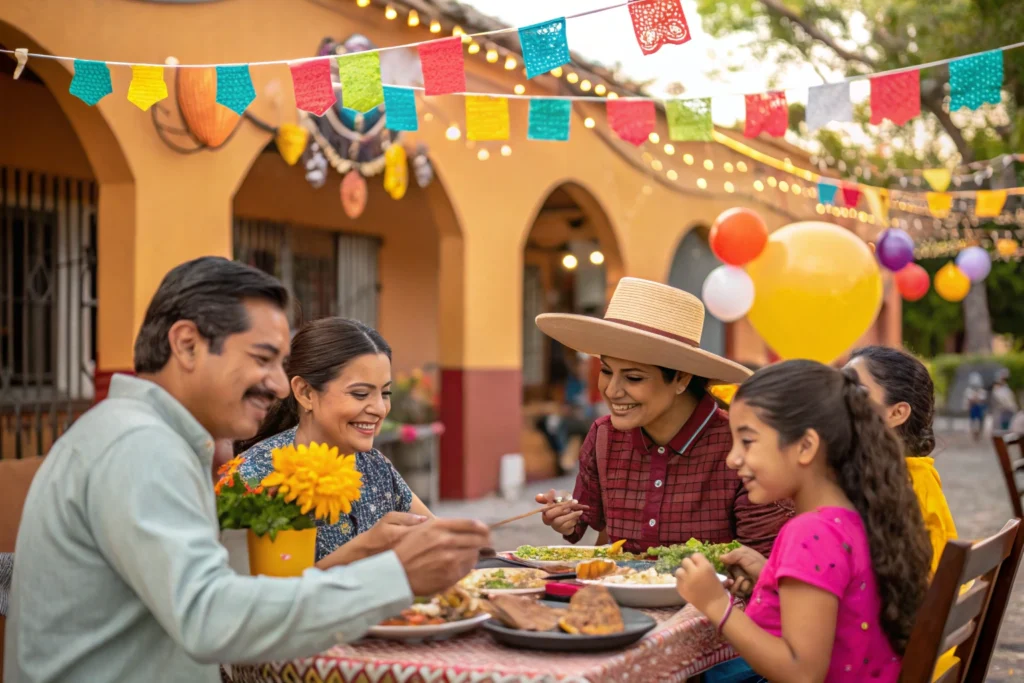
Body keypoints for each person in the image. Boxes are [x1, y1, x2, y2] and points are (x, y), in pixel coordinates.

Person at [5, 257, 488, 683]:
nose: (278, 385)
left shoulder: (150, 438)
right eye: (262, 359)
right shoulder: (140, 445)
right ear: (187, 345)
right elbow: (211, 618)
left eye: (281, 364)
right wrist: (395, 575)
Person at [677, 360, 932, 682]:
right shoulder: (854, 515)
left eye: (748, 441)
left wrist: (714, 603)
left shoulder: (810, 532)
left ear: (806, 446)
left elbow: (801, 672)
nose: (732, 458)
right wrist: (771, 577)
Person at [533, 277, 792, 557]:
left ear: (681, 378)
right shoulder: (603, 436)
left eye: (633, 377)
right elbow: (584, 520)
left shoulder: (743, 445)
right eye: (607, 371)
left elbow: (763, 564)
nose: (612, 390)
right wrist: (563, 516)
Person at [235, 317, 433, 565]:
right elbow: (257, 596)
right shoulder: (255, 477)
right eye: (360, 394)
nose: (380, 409)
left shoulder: (374, 466)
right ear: (305, 393)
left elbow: (433, 535)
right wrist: (361, 551)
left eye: (385, 393)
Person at [964, 372, 987, 440]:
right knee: (973, 421)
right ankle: (974, 434)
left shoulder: (982, 391)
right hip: (973, 408)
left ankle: (979, 434)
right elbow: (971, 400)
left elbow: (982, 399)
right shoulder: (968, 390)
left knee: (981, 422)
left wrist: (975, 398)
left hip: (980, 408)